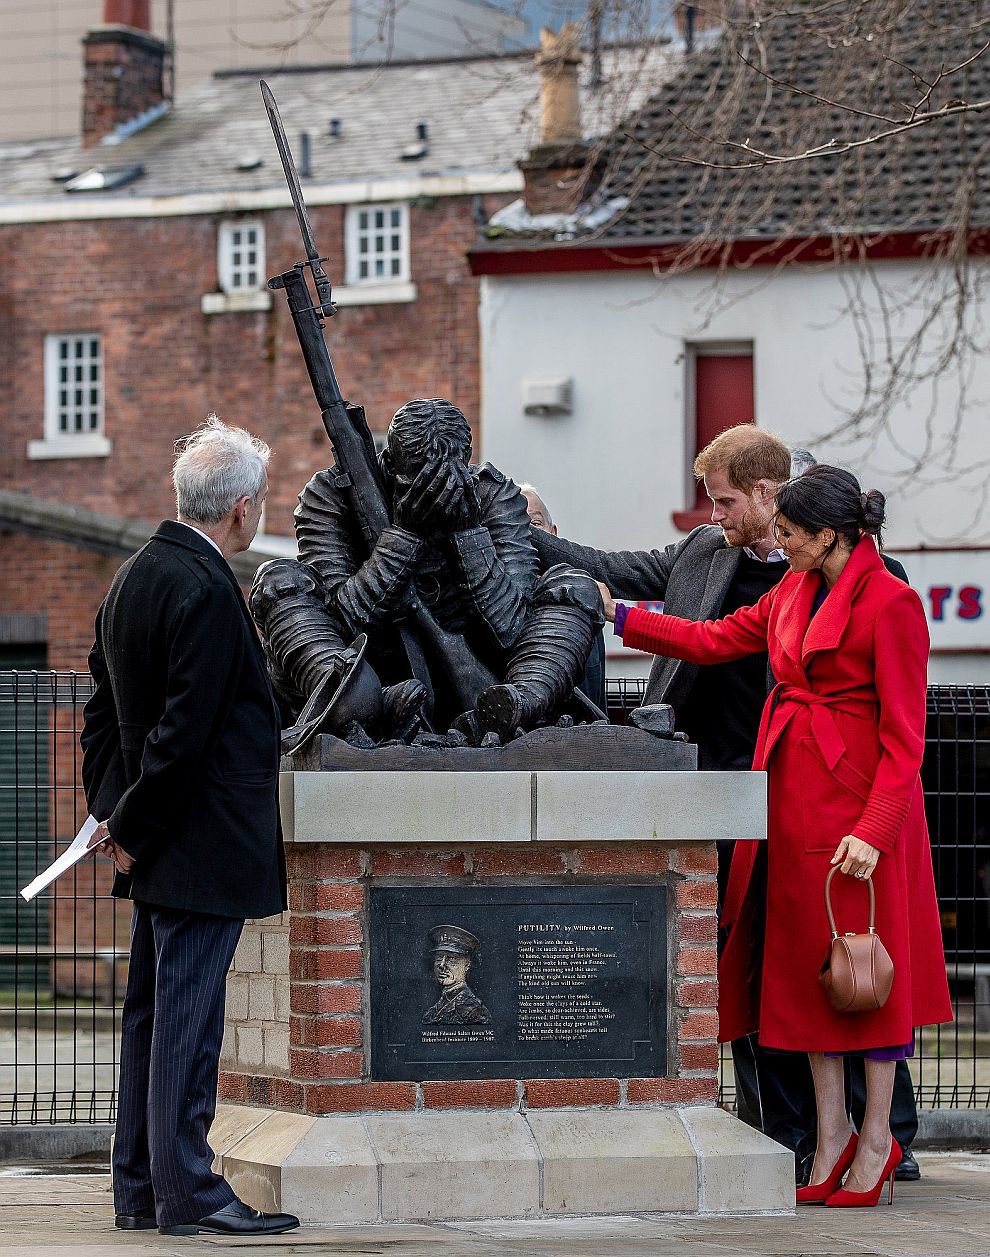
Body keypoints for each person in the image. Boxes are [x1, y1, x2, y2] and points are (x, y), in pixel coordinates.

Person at [529, 427, 921, 1183]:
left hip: (855, 807)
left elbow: (907, 736)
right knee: (804, 972)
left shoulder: (892, 600)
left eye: (790, 534)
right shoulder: (791, 588)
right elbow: (710, 639)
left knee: (863, 972)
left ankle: (878, 1139)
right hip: (787, 793)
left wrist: (875, 829)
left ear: (824, 533)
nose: (776, 542)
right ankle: (831, 1136)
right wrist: (620, 616)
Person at [80, 418, 298, 1237]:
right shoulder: (207, 588)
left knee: (152, 1014)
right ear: (242, 509)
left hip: (163, 839)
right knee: (188, 1023)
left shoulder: (134, 576)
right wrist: (129, 822)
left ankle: (140, 1185)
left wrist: (113, 810)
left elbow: (102, 714)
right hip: (201, 842)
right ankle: (191, 1192)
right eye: (262, 501)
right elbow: (187, 731)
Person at [251, 398, 604, 744]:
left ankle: (520, 705)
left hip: (491, 678)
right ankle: (354, 705)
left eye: (446, 482)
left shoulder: (493, 495)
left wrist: (469, 535)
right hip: (376, 673)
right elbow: (341, 623)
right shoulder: (331, 495)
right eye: (420, 484)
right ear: (389, 464)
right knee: (279, 581)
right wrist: (403, 537)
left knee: (574, 586)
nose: (436, 496)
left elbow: (516, 629)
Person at [520, 483, 606, 713]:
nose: (528, 533)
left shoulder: (582, 599)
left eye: (535, 524)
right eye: (516, 523)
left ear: (553, 533)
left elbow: (595, 689)